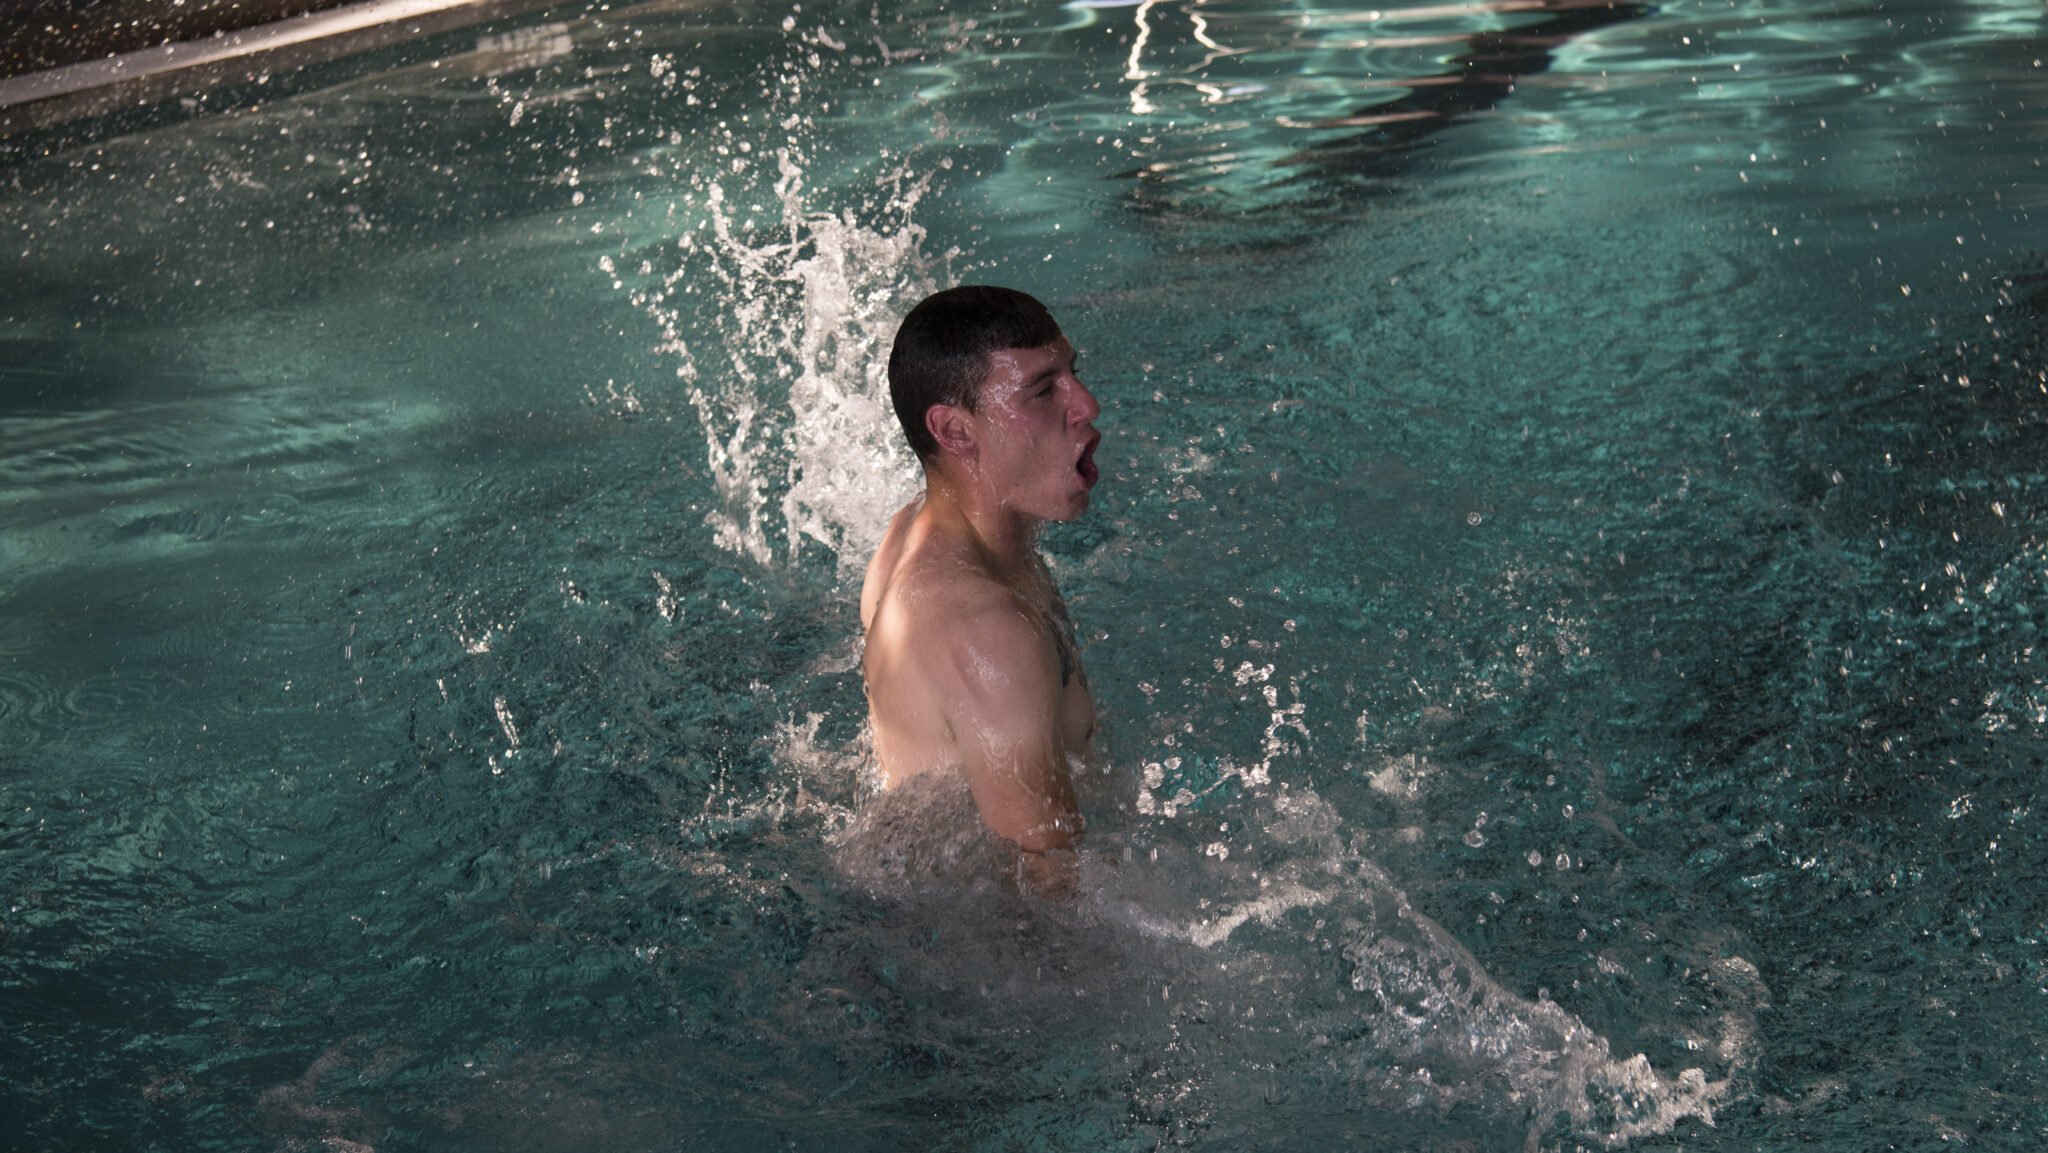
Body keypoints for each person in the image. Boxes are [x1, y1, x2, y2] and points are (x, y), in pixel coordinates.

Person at [859, 286, 1103, 877]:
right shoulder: (988, 634)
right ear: (957, 431)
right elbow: (1053, 905)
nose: (1087, 405)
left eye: (1073, 373)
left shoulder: (915, 535)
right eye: (1043, 391)